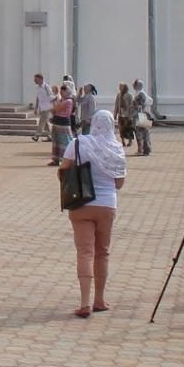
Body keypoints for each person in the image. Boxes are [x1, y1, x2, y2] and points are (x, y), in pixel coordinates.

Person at [58, 109, 127, 318]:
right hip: (107, 205)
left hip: (81, 204)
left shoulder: (78, 143)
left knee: (85, 252)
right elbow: (119, 183)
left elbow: (63, 170)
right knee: (102, 252)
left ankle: (84, 302)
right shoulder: (117, 148)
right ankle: (100, 299)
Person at [48, 82, 76, 166]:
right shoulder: (61, 100)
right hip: (57, 122)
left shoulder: (68, 101)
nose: (62, 92)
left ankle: (67, 160)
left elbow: (56, 108)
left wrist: (55, 108)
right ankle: (55, 159)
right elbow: (53, 110)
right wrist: (55, 108)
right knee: (56, 142)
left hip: (63, 123)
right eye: (62, 91)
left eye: (64, 91)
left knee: (65, 141)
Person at [30, 73, 54, 142]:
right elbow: (38, 98)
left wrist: (53, 107)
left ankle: (36, 135)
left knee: (42, 121)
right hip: (41, 107)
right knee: (46, 123)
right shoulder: (37, 87)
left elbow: (51, 96)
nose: (35, 81)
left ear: (41, 79)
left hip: (47, 107)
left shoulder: (46, 87)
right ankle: (51, 136)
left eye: (36, 79)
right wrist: (36, 108)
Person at [113, 82, 135, 147]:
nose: (120, 88)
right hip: (120, 115)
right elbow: (116, 105)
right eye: (119, 87)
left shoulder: (129, 95)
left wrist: (131, 115)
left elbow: (131, 105)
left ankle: (130, 141)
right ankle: (123, 141)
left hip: (127, 115)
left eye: (121, 87)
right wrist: (115, 113)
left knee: (128, 129)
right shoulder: (118, 95)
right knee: (121, 129)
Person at [133, 89, 154, 156]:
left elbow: (137, 112)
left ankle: (141, 150)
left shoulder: (138, 105)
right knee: (146, 135)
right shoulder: (146, 101)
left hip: (140, 120)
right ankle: (147, 150)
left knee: (139, 136)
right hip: (145, 120)